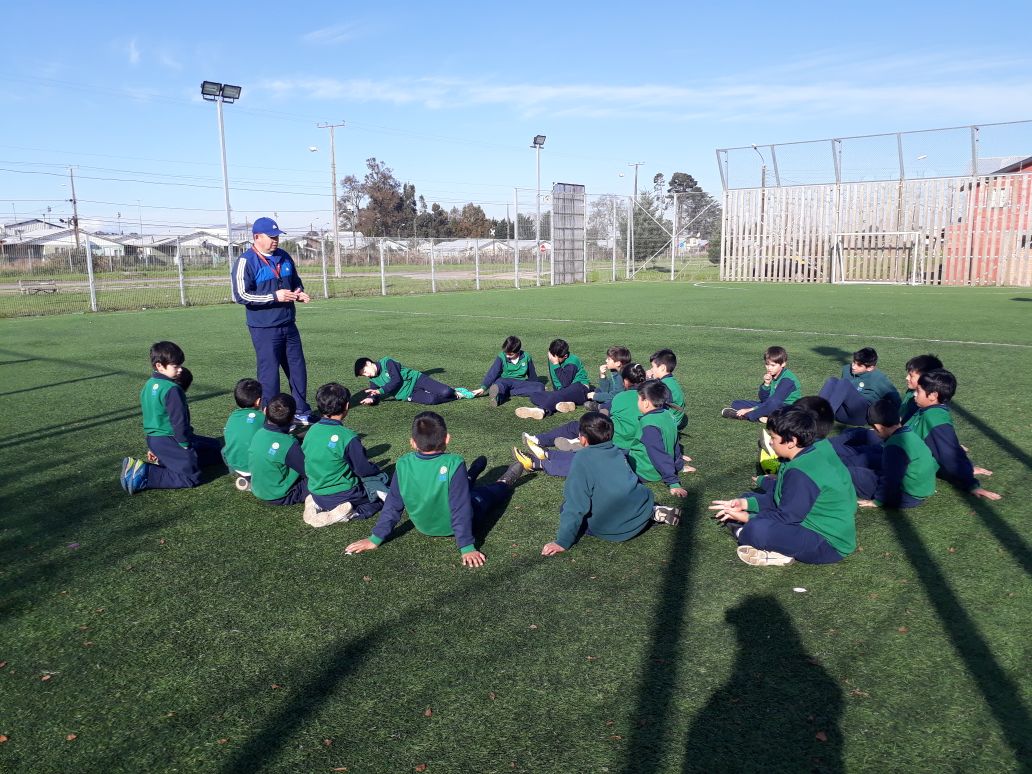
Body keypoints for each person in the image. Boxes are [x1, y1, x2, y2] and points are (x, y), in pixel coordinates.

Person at [345, 412, 524, 566]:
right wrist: (466, 546)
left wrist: (375, 538)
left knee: (456, 488)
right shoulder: (454, 462)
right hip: (455, 525)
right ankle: (504, 481)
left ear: (412, 443)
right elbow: (460, 507)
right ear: (447, 438)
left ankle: (472, 474)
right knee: (484, 495)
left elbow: (393, 504)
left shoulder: (403, 463)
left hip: (424, 527)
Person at [710, 406, 857, 567]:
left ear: (792, 441)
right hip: (815, 522)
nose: (770, 442)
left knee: (756, 529)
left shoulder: (801, 472)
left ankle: (755, 539)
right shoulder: (810, 451)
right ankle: (745, 529)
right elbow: (781, 497)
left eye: (773, 437)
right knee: (745, 499)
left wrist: (746, 517)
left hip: (827, 543)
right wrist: (745, 504)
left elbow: (788, 516)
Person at [540, 413, 681, 556]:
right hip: (642, 508)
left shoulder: (582, 459)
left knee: (565, 508)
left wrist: (562, 541)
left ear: (582, 439)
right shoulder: (618, 451)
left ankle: (640, 516)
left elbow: (576, 504)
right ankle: (653, 512)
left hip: (619, 529)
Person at [230, 216, 313, 424]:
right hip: (264, 328)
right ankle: (274, 418)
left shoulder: (284, 256)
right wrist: (275, 296)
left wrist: (298, 292)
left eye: (277, 236)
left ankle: (300, 411)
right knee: (269, 375)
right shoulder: (246, 261)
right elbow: (241, 295)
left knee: (297, 369)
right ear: (257, 237)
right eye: (271, 236)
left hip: (288, 323)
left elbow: (296, 282)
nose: (276, 240)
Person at [120, 341, 221, 495]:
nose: (180, 369)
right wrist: (185, 444)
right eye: (175, 366)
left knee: (215, 449)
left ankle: (167, 460)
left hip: (154, 440)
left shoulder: (148, 385)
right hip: (171, 439)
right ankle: (145, 473)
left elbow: (152, 417)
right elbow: (179, 422)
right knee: (192, 478)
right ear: (159, 366)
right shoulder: (172, 389)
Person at [301, 383, 389, 527]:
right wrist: (376, 470)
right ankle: (352, 513)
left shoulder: (311, 431)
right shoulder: (347, 437)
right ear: (347, 406)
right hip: (344, 494)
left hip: (316, 491)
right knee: (381, 498)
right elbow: (363, 470)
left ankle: (315, 504)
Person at [906, 369, 1000, 500]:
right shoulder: (925, 410)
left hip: (906, 469)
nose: (915, 394)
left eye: (919, 391)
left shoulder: (934, 419)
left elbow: (948, 455)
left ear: (933, 396)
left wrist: (970, 483)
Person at [522, 362, 647, 454]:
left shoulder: (621, 397)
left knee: (576, 426)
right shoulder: (649, 398)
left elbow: (605, 412)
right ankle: (577, 442)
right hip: (631, 443)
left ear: (625, 381)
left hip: (612, 439)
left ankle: (539, 440)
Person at [842, 397, 939, 510]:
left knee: (852, 473)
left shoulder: (895, 445)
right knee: (870, 467)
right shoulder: (909, 433)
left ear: (878, 427)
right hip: (918, 490)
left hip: (905, 497)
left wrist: (878, 501)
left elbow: (890, 479)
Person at [247, 393, 309, 506]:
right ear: (293, 418)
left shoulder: (259, 433)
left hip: (259, 489)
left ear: (265, 411)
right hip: (282, 495)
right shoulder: (288, 444)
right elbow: (308, 471)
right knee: (324, 478)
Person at [817, 347, 900, 426]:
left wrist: (894, 419)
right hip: (843, 414)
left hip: (862, 415)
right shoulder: (847, 369)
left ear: (870, 368)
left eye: (859, 365)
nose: (853, 366)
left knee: (844, 383)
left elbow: (896, 398)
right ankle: (814, 412)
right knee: (832, 381)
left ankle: (824, 419)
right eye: (853, 362)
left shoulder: (878, 378)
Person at [515, 338, 591, 420]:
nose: (552, 359)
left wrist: (555, 364)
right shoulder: (552, 356)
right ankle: (566, 404)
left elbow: (565, 383)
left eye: (555, 358)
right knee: (535, 395)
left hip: (580, 389)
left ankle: (541, 410)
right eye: (551, 355)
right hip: (561, 392)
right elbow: (556, 380)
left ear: (565, 356)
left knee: (557, 395)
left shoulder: (572, 361)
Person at [722, 345, 801, 423]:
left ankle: (751, 416)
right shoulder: (772, 375)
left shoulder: (787, 380)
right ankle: (766, 417)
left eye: (773, 365)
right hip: (770, 405)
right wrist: (766, 384)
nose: (769, 368)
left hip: (787, 409)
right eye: (767, 364)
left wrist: (749, 409)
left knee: (772, 403)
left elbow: (774, 401)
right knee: (736, 403)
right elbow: (763, 399)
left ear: (783, 364)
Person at [354, 356, 473, 406]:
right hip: (408, 394)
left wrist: (381, 391)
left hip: (417, 379)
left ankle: (454, 391)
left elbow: (396, 380)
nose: (366, 375)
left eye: (365, 371)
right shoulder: (373, 379)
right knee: (432, 400)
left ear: (368, 363)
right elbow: (374, 391)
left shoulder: (387, 362)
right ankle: (458, 396)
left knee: (446, 392)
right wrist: (371, 398)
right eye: (363, 375)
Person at [471, 335, 545, 406]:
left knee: (540, 387)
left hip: (519, 382)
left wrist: (535, 384)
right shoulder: (501, 356)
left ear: (518, 351)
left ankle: (507, 392)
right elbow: (493, 372)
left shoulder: (526, 356)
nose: (507, 356)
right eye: (506, 353)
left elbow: (532, 374)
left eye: (510, 354)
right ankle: (497, 399)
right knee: (499, 386)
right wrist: (483, 388)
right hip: (504, 380)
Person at [222, 378, 264, 492]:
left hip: (235, 465)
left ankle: (241, 476)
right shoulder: (262, 418)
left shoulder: (233, 416)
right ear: (258, 401)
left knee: (224, 449)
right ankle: (254, 482)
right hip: (255, 468)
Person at [646, 348, 686, 428]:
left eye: (653, 367)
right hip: (676, 418)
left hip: (670, 422)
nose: (651, 369)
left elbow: (655, 402)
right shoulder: (670, 381)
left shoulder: (663, 385)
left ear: (662, 368)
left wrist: (649, 379)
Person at [584, 345, 632, 411]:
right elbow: (606, 389)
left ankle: (600, 406)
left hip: (622, 400)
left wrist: (595, 396)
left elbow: (615, 395)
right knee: (598, 390)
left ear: (618, 363)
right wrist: (602, 375)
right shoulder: (615, 371)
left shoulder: (621, 377)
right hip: (615, 395)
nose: (606, 360)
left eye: (609, 359)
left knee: (611, 401)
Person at [899, 354, 943, 423]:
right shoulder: (911, 391)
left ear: (926, 378)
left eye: (911, 375)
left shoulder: (924, 403)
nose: (907, 378)